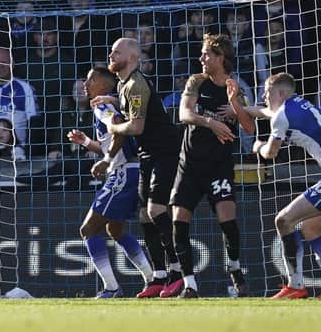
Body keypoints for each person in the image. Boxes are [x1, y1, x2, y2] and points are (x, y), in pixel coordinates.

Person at [92, 37, 182, 298]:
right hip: (147, 154)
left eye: (116, 52)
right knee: (144, 215)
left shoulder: (135, 84)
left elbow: (136, 127)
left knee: (155, 210)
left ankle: (177, 270)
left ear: (132, 58)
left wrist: (113, 126)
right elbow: (131, 104)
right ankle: (159, 276)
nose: (111, 55)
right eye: (110, 51)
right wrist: (114, 98)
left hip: (165, 151)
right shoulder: (124, 85)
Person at [169, 34, 255, 298]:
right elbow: (184, 114)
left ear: (221, 57)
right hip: (190, 164)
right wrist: (210, 122)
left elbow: (249, 128)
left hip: (219, 165)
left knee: (227, 220)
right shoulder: (197, 81)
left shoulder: (235, 88)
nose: (201, 58)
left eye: (206, 54)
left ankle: (235, 269)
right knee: (179, 220)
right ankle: (190, 284)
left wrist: (234, 107)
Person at [232, 72, 321, 298]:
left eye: (267, 91)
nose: (263, 95)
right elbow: (267, 112)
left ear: (280, 93)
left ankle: (296, 286)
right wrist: (238, 108)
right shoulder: (298, 104)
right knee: (310, 227)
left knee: (284, 220)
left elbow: (271, 153)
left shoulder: (283, 116)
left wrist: (257, 146)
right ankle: (296, 286)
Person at [70, 67, 154, 298]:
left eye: (90, 80)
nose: (85, 85)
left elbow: (119, 129)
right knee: (114, 229)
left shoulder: (102, 106)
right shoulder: (111, 104)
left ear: (104, 84)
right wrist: (87, 142)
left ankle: (112, 288)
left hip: (123, 173)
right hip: (132, 170)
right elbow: (112, 142)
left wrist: (106, 161)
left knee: (88, 229)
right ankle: (151, 278)